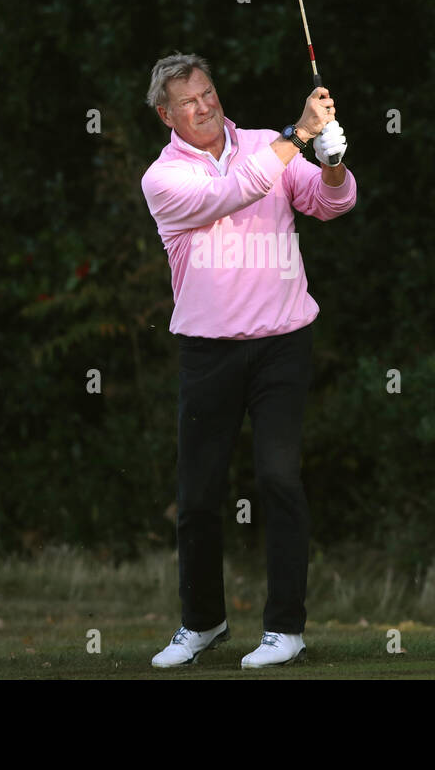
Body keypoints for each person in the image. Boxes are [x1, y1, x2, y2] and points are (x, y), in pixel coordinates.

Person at [140, 52, 356, 668]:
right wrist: (302, 135)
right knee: (200, 495)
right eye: (189, 101)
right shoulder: (164, 180)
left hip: (283, 342)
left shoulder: (266, 144)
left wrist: (333, 163)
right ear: (167, 115)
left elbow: (330, 202)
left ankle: (285, 630)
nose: (204, 106)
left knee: (279, 478)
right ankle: (202, 623)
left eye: (208, 92)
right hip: (208, 352)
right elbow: (234, 191)